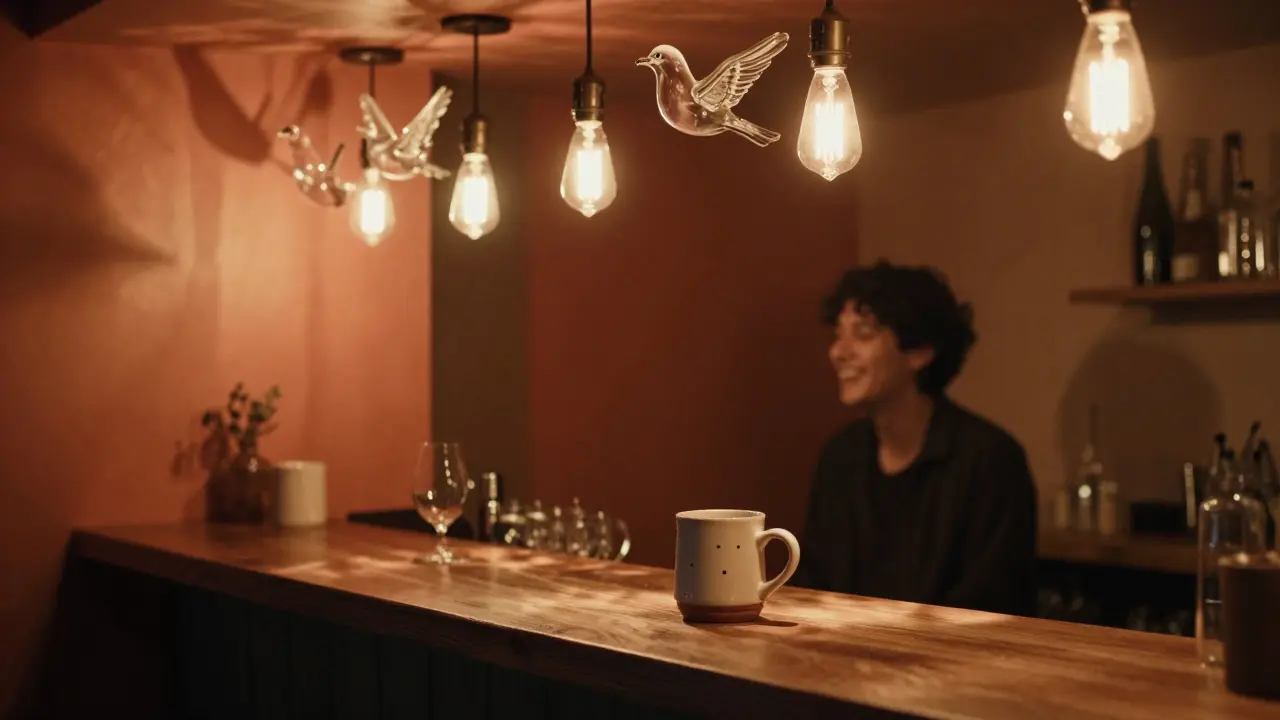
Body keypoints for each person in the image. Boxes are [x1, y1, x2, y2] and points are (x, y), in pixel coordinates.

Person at [795, 261, 1037, 616]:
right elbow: (815, 585)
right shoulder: (840, 456)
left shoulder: (989, 460)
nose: (838, 351)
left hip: (956, 664)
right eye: (838, 333)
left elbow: (993, 603)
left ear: (919, 351)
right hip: (843, 662)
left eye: (863, 334)